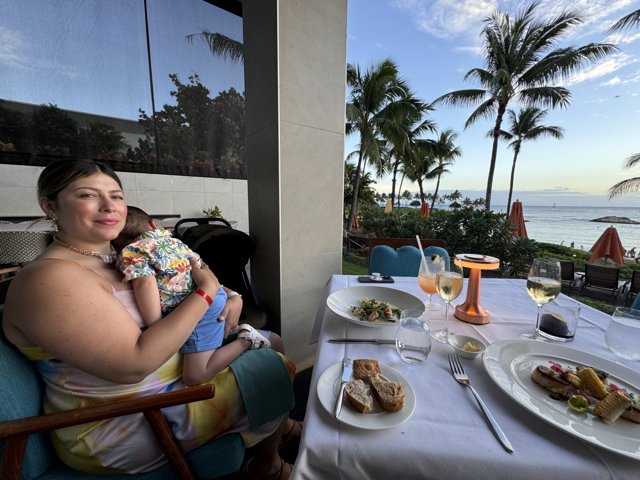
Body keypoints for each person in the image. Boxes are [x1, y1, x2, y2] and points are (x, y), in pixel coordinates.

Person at [2, 159, 300, 479]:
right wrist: (208, 291)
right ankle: (268, 466)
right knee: (272, 365)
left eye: (116, 196)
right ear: (50, 206)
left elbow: (184, 278)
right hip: (124, 423)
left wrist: (234, 295)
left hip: (169, 383)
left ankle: (282, 431)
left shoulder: (115, 256)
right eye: (88, 195)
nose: (109, 206)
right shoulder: (49, 280)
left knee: (271, 339)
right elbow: (135, 364)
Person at [112, 206, 272, 385]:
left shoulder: (133, 252)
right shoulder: (175, 243)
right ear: (153, 224)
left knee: (194, 376)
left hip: (202, 307)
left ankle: (247, 340)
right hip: (210, 297)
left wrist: (156, 325)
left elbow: (145, 283)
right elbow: (201, 269)